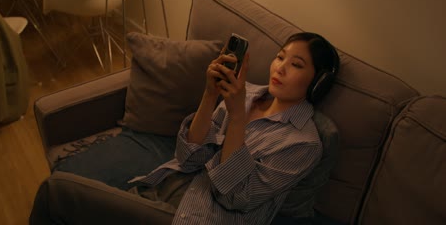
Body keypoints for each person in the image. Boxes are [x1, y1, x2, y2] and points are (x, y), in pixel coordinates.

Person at [30, 32, 340, 224]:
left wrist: (236, 120)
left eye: (296, 65)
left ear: (318, 82)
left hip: (200, 217)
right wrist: (210, 94)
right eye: (280, 57)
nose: (281, 68)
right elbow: (189, 157)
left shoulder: (303, 143)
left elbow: (235, 198)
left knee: (56, 192)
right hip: (166, 186)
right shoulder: (244, 94)